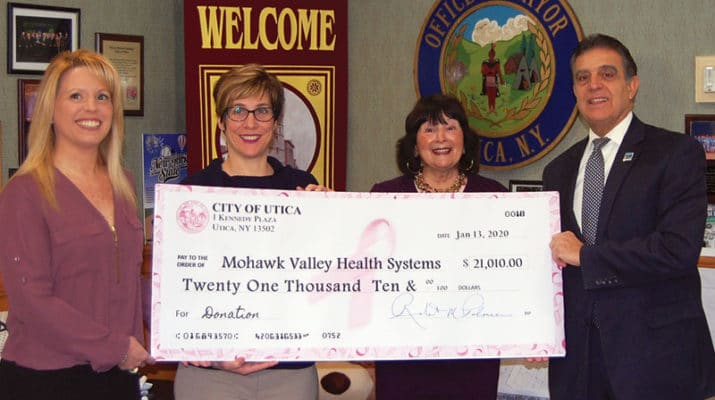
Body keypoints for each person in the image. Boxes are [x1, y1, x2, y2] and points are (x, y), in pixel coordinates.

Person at [543, 33, 715, 399]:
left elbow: (677, 250)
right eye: (582, 77)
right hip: (578, 366)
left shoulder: (676, 153)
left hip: (655, 361)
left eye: (607, 74)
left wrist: (586, 256)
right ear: (574, 91)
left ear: (632, 85)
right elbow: (551, 264)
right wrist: (535, 328)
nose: (594, 86)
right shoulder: (558, 170)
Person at [0, 49, 151, 400]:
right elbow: (33, 301)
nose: (92, 108)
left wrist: (182, 330)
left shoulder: (124, 185)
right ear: (50, 109)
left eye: (102, 97)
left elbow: (130, 280)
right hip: (44, 380)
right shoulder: (25, 192)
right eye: (76, 97)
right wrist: (114, 346)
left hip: (115, 378)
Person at [175, 64, 328, 400]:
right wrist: (212, 355)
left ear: (275, 122)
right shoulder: (191, 193)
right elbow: (177, 286)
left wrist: (332, 221)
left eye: (262, 111)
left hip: (289, 373)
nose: (250, 123)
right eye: (238, 110)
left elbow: (325, 280)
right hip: (210, 374)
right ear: (220, 120)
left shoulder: (303, 188)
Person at [371, 94, 505, 399]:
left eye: (450, 127)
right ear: (414, 145)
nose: (440, 138)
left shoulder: (494, 197)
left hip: (472, 353)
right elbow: (366, 270)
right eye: (429, 129)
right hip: (403, 353)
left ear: (465, 139)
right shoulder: (384, 196)